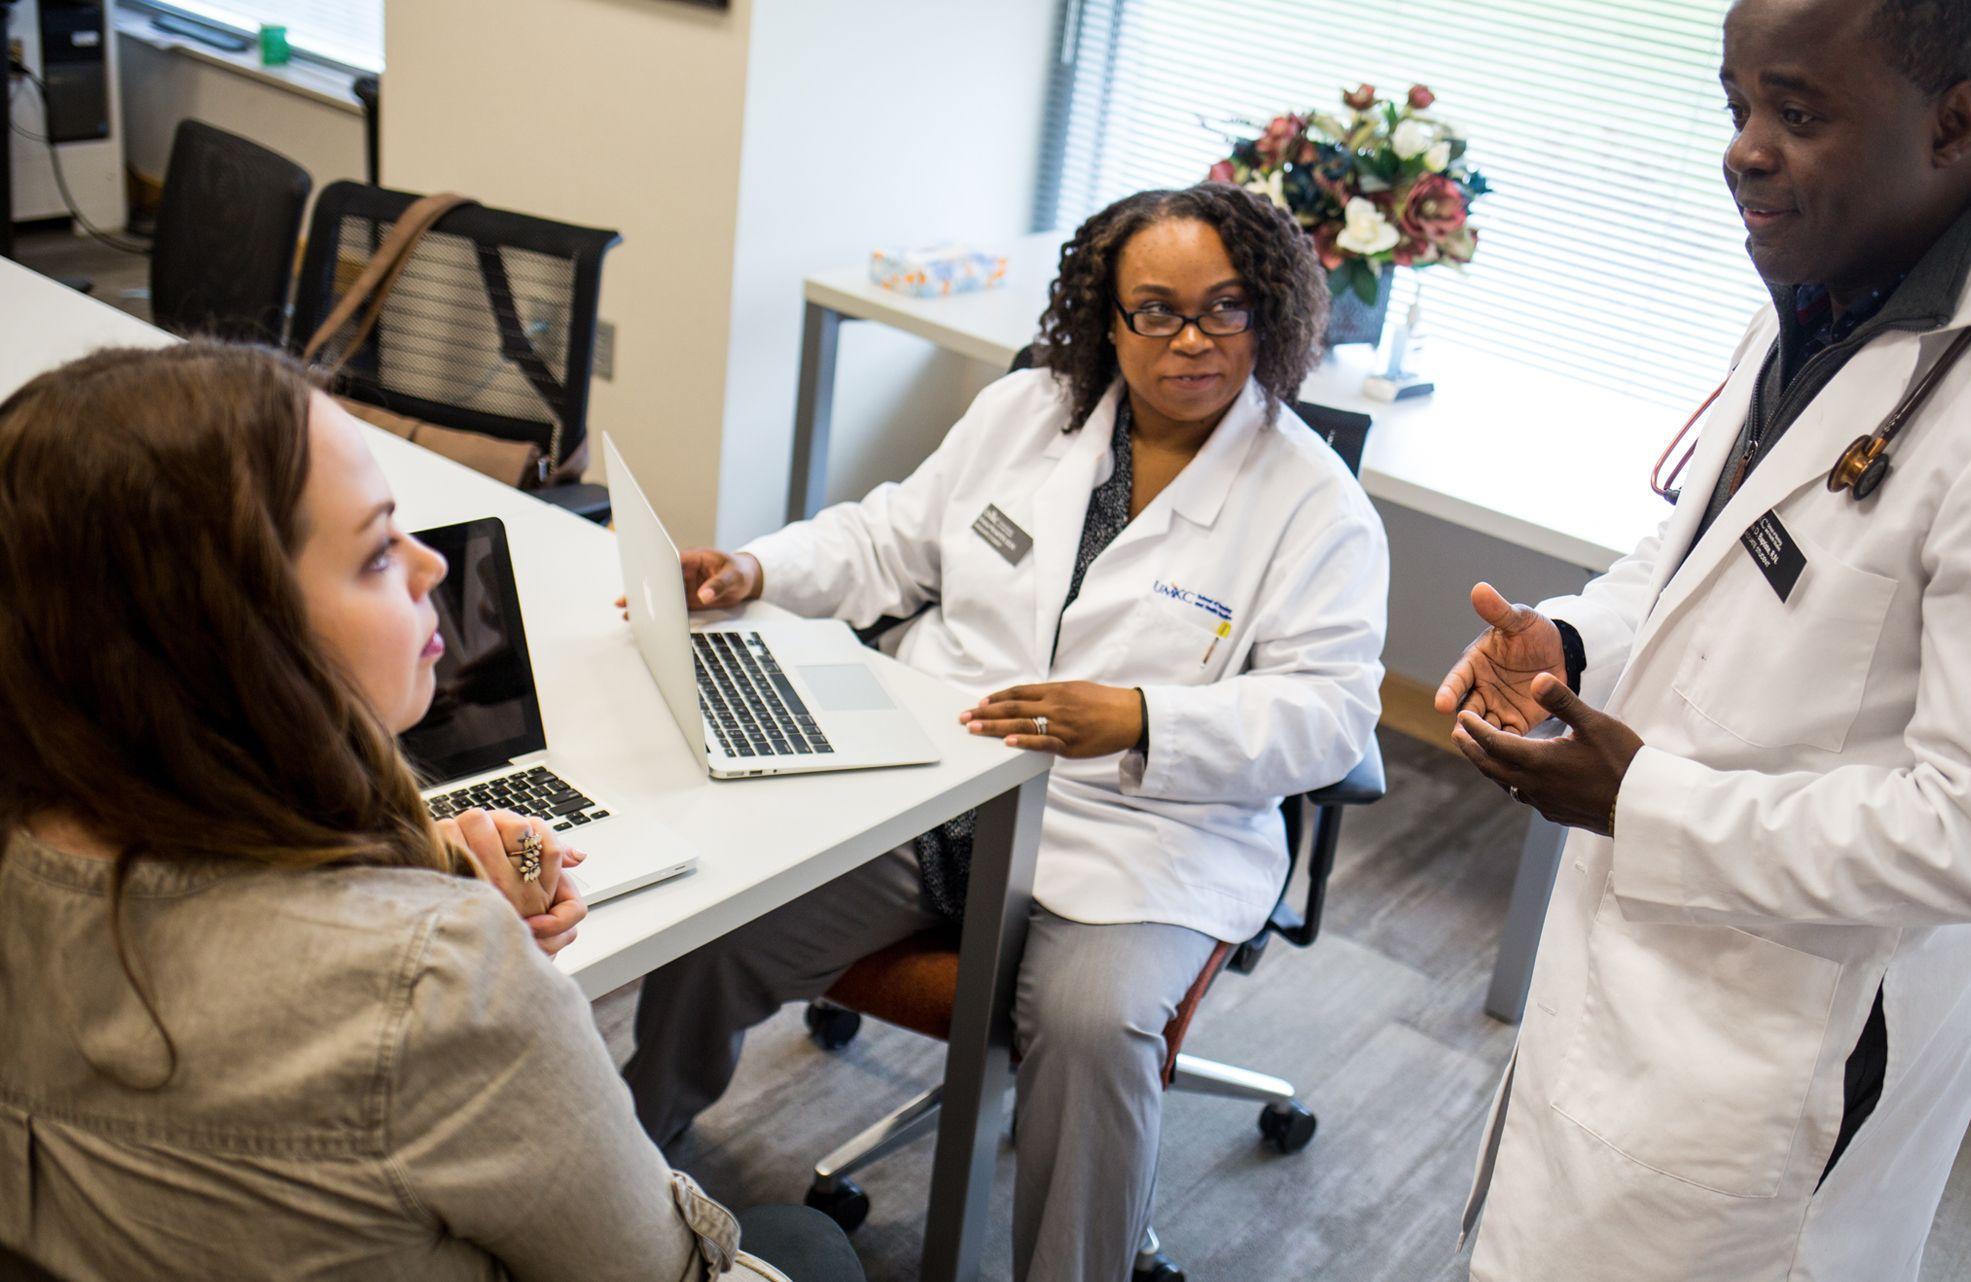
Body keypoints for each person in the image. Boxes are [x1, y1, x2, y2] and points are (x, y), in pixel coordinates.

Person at [1436, 1, 1971, 1278]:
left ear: (1952, 122)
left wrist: (1642, 802)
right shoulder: (1817, 283)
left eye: (1796, 114)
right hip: (1643, 975)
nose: (1743, 151)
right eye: (1735, 106)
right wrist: (1573, 642)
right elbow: (1711, 551)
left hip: (1788, 1039)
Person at [623, 183, 1389, 1279]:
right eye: (1154, 310)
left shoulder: (1314, 509)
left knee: (1090, 1030)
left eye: (1224, 308)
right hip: (937, 781)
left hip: (1132, 834)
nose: (1190, 341)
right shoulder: (1028, 412)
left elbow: (1327, 717)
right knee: (720, 922)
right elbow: (892, 542)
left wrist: (1139, 718)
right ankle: (621, 1162)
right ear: (1105, 316)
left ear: (1269, 313)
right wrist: (758, 567)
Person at [0, 343, 861, 1281]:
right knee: (808, 1247)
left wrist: (414, 866)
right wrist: (455, 961)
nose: (428, 567)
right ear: (229, 637)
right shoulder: (439, 986)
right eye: (376, 552)